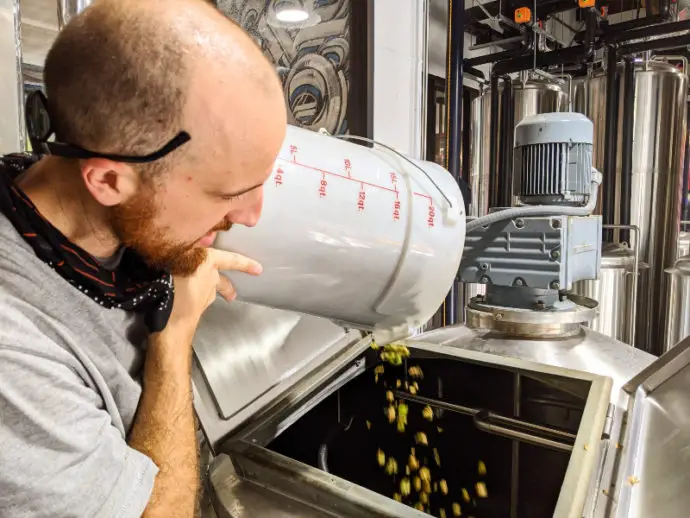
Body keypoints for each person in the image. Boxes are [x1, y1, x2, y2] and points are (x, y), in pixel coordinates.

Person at [0, 0, 287, 516]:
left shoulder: (122, 216)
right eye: (230, 194)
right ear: (109, 180)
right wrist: (173, 338)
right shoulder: (14, 345)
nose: (251, 216)